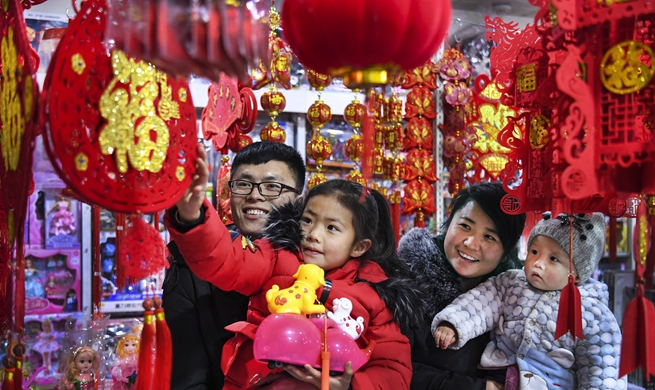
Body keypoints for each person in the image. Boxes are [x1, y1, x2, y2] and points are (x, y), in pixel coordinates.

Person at [166, 179, 425, 389]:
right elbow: (226, 260)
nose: (313, 234)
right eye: (308, 220)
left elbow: (394, 370)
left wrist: (350, 385)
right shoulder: (277, 255)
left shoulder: (376, 293)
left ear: (359, 246)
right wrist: (195, 217)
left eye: (332, 228)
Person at [163, 141, 307, 389]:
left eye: (272, 186)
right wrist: (190, 217)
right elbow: (187, 377)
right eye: (243, 184)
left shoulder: (318, 255)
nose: (255, 195)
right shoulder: (192, 265)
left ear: (299, 198)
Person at [432, 213, 626, 389]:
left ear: (576, 273)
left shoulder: (593, 312)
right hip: (499, 376)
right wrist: (454, 323)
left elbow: (603, 367)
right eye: (534, 252)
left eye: (553, 259)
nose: (538, 263)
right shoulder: (511, 283)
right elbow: (480, 302)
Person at [397, 181, 526, 390]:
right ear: (448, 225)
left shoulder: (514, 302)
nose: (471, 244)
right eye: (465, 226)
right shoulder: (404, 282)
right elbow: (392, 370)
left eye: (489, 237)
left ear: (506, 252)